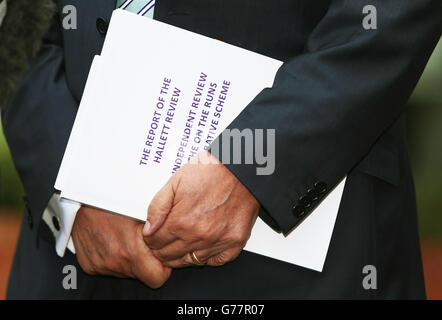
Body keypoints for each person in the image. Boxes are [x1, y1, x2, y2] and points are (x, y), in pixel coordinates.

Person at [2, 0, 441, 299]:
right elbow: (19, 25)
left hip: (297, 260)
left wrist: (252, 164)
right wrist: (73, 194)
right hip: (69, 262)